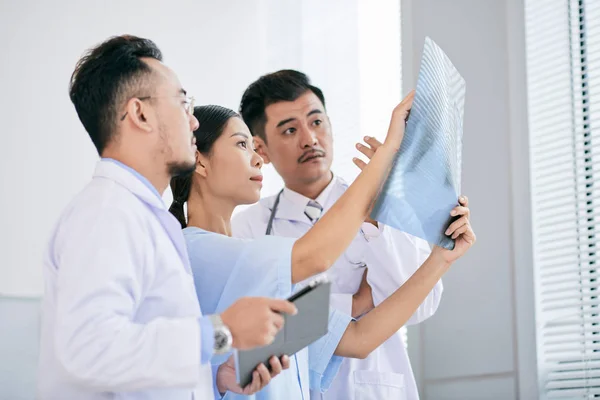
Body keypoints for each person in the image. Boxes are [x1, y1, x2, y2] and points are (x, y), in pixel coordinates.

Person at [36, 35, 296, 400]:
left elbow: (138, 355)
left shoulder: (143, 216)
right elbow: (88, 348)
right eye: (182, 102)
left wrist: (215, 378)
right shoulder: (107, 213)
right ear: (140, 114)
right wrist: (221, 332)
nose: (192, 122)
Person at [169, 98, 475, 399]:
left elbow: (359, 338)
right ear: (200, 161)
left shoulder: (261, 268)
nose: (257, 158)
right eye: (241, 144)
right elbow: (314, 257)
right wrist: (388, 152)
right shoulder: (193, 252)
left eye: (253, 146)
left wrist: (442, 258)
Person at [231, 69, 457, 399]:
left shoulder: (380, 199)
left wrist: (376, 219)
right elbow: (259, 332)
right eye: (290, 130)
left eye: (317, 122)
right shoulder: (248, 226)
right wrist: (357, 302)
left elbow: (421, 306)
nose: (309, 139)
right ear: (261, 150)